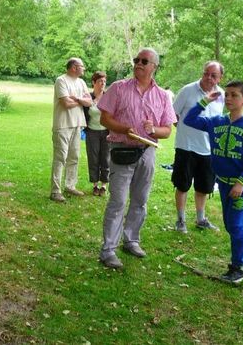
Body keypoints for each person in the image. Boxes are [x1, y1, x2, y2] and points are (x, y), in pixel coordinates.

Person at [97, 48, 176, 269]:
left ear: (154, 67)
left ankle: (131, 240)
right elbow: (104, 118)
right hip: (122, 150)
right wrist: (123, 128)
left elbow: (167, 130)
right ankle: (108, 250)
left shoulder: (162, 95)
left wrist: (154, 130)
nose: (138, 64)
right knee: (118, 201)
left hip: (147, 152)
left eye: (144, 61)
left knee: (140, 200)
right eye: (136, 60)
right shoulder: (118, 88)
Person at [184, 81, 243, 283]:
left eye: (234, 95)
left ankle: (241, 267)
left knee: (236, 224)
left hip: (241, 186)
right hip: (223, 182)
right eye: (226, 95)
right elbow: (189, 120)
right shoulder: (216, 122)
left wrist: (241, 182)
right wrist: (204, 101)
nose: (228, 98)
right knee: (231, 223)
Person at [172, 61, 225, 233]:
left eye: (213, 75)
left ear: (220, 78)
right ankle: (181, 220)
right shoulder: (188, 90)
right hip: (186, 146)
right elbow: (173, 112)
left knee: (204, 186)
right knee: (182, 185)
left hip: (208, 149)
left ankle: (201, 219)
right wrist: (182, 130)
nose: (208, 78)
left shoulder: (222, 95)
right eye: (206, 73)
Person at [50, 58, 92, 202]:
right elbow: (66, 103)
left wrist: (77, 99)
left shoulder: (81, 83)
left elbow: (89, 102)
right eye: (82, 66)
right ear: (74, 67)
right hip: (63, 125)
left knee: (74, 157)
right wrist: (80, 100)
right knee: (60, 158)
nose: (83, 69)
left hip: (77, 124)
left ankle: (70, 185)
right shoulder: (61, 81)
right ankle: (55, 191)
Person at [83, 71, 110, 196]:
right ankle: (95, 184)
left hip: (106, 132)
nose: (103, 84)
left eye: (104, 82)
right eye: (100, 81)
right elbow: (82, 113)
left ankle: (104, 185)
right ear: (94, 82)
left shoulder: (108, 97)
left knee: (105, 158)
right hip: (92, 132)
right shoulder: (88, 97)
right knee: (93, 158)